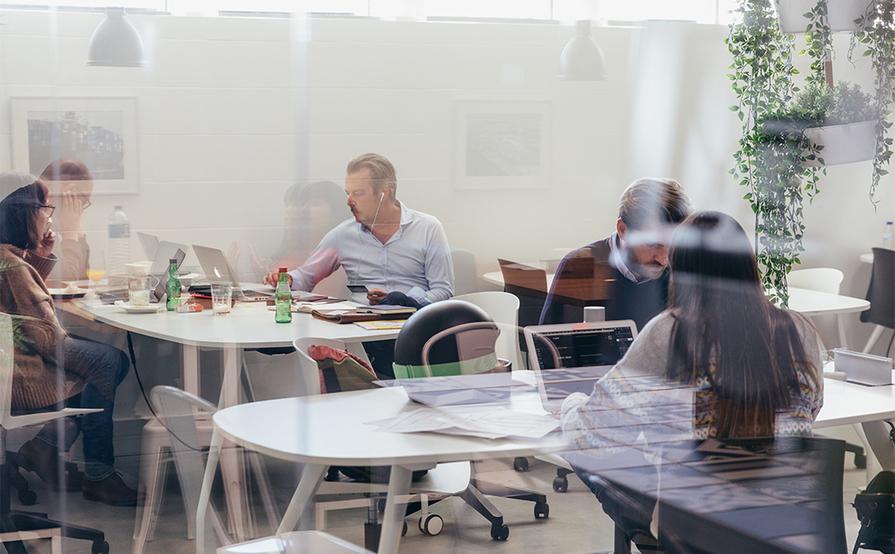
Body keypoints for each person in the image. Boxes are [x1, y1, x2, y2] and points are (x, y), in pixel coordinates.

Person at [560, 212, 823, 543]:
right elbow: (811, 408)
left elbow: (594, 436)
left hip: (701, 534)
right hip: (795, 529)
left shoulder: (670, 332)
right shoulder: (798, 329)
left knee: (595, 456)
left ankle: (653, 540)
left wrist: (570, 406)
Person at [0, 181, 137, 506]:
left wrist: (39, 255)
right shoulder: (11, 265)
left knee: (102, 364)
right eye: (45, 210)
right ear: (25, 214)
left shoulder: (7, 258)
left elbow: (23, 303)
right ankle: (98, 476)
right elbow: (48, 340)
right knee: (108, 362)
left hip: (14, 363)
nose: (49, 218)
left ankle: (44, 448)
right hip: (21, 376)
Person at [264, 153, 454, 307]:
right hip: (361, 326)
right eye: (348, 194)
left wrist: (406, 300)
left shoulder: (427, 228)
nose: (349, 202)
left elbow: (443, 291)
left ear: (384, 193)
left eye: (358, 193)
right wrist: (287, 279)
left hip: (414, 323)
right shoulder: (342, 235)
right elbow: (306, 276)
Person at [539, 178, 691, 330]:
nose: (664, 260)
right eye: (653, 244)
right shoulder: (580, 267)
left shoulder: (681, 270)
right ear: (623, 230)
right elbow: (548, 342)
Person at [233, 180, 349, 295]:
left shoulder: (337, 252)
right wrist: (266, 277)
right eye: (304, 204)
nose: (304, 210)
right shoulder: (295, 251)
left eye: (315, 204)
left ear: (335, 212)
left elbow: (313, 293)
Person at [39, 159, 94, 282]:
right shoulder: (36, 222)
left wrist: (77, 232)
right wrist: (70, 234)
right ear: (70, 192)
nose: (80, 209)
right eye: (84, 200)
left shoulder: (50, 221)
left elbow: (83, 281)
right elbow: (68, 281)